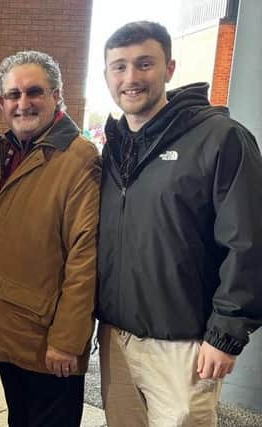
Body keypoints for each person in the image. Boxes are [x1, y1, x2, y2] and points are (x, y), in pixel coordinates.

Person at [97, 21, 262, 426]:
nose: (131, 78)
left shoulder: (220, 139)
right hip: (116, 337)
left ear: (169, 68)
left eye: (144, 64)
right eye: (119, 67)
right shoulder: (114, 149)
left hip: (184, 346)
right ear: (106, 76)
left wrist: (225, 335)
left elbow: (249, 243)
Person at [0, 50, 100, 427]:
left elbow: (85, 256)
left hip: (50, 342)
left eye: (34, 92)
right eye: (13, 95)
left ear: (56, 95)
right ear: (1, 102)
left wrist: (67, 340)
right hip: (15, 333)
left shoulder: (77, 158)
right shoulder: (4, 151)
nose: (23, 104)